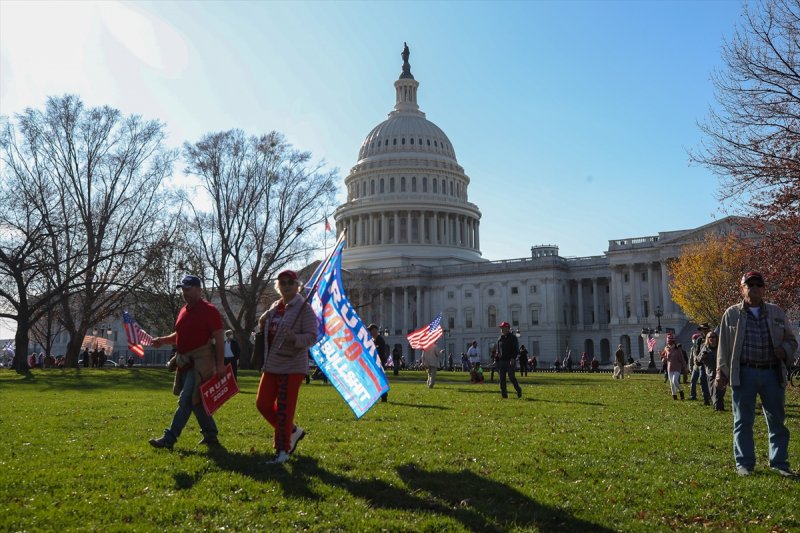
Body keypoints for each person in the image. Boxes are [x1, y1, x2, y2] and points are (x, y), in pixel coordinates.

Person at [716, 271, 797, 477]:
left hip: (771, 372)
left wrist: (784, 351)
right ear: (742, 289)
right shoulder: (731, 314)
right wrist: (721, 373)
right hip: (744, 373)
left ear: (763, 289)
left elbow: (792, 341)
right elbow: (723, 348)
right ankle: (744, 464)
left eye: (757, 284)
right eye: (748, 284)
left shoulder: (777, 313)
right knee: (743, 421)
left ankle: (779, 463)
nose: (753, 288)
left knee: (777, 420)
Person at [149, 274, 226, 451]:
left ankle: (169, 438)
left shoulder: (210, 310)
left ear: (199, 289)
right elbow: (180, 336)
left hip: (201, 363)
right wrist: (162, 339)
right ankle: (211, 435)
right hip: (184, 362)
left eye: (188, 289)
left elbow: (219, 339)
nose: (185, 292)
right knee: (196, 401)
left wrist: (220, 364)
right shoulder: (184, 310)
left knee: (186, 400)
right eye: (183, 289)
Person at [256, 269, 318, 465]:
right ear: (278, 285)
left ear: (297, 285)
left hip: (292, 365)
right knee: (263, 404)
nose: (286, 285)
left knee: (284, 409)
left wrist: (295, 338)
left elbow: (312, 336)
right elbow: (267, 329)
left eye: (290, 282)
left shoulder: (304, 308)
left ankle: (282, 450)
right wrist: (262, 323)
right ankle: (292, 431)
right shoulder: (275, 306)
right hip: (272, 363)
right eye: (282, 282)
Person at [699, 330, 725, 411]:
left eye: (714, 337)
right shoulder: (705, 348)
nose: (712, 339)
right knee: (713, 391)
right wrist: (703, 357)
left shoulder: (720, 347)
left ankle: (718, 405)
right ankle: (718, 406)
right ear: (707, 339)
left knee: (720, 390)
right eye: (710, 337)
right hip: (710, 372)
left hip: (721, 371)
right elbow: (698, 359)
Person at [496, 322, 522, 399]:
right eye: (501, 328)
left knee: (511, 377)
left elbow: (516, 350)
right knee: (502, 379)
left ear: (507, 328)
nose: (501, 329)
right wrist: (496, 359)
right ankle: (504, 395)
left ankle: (518, 389)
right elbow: (498, 351)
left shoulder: (513, 338)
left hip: (510, 361)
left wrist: (513, 358)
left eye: (502, 328)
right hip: (502, 361)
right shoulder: (500, 338)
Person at [689, 324, 711, 404]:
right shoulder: (699, 339)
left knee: (703, 381)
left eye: (704, 329)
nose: (703, 331)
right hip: (697, 364)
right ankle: (693, 395)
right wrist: (696, 359)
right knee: (693, 380)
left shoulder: (710, 338)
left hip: (705, 364)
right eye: (701, 329)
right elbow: (696, 350)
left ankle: (706, 398)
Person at [662, 335, 687, 400]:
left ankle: (681, 391)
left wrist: (685, 368)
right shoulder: (666, 348)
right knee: (671, 383)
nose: (668, 343)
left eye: (669, 341)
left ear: (673, 341)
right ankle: (674, 396)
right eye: (667, 341)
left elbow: (682, 359)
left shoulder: (677, 349)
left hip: (677, 367)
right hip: (669, 368)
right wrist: (663, 359)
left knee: (675, 381)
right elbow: (666, 358)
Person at [368, 324, 389, 402]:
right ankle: (381, 395)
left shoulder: (380, 340)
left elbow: (380, 352)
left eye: (371, 330)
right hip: (376, 362)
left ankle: (384, 396)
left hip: (380, 362)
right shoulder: (374, 340)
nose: (370, 332)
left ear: (375, 330)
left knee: (380, 379)